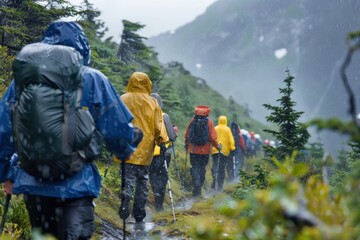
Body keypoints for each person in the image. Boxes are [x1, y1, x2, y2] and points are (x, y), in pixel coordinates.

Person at [0, 21, 136, 239]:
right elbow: (117, 128)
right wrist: (125, 149)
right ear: (82, 48)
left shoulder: (22, 82)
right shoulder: (92, 78)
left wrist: (6, 173)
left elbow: (4, 130)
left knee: (43, 236)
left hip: (33, 183)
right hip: (76, 186)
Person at [116, 72, 167, 223]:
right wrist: (161, 141)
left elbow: (116, 119)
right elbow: (159, 126)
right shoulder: (153, 103)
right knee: (142, 181)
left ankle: (126, 198)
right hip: (145, 150)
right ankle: (139, 214)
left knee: (128, 178)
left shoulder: (123, 99)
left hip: (127, 148)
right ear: (147, 84)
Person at [149, 93, 178, 212]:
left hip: (150, 153)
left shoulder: (146, 116)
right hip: (165, 152)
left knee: (153, 176)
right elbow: (171, 136)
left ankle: (156, 196)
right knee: (162, 176)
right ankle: (159, 204)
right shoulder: (164, 116)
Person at [184, 105, 221, 197]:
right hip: (205, 151)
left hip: (193, 150)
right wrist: (217, 147)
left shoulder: (193, 120)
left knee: (195, 167)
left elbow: (187, 134)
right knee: (202, 169)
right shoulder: (209, 122)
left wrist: (186, 145)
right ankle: (199, 188)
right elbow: (212, 137)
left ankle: (195, 187)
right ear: (207, 113)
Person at [211, 116, 235, 191]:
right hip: (224, 152)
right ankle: (220, 185)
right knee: (222, 168)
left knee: (215, 165)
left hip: (215, 151)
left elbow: (212, 138)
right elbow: (231, 140)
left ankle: (215, 177)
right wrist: (232, 148)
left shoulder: (215, 128)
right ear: (226, 121)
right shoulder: (227, 129)